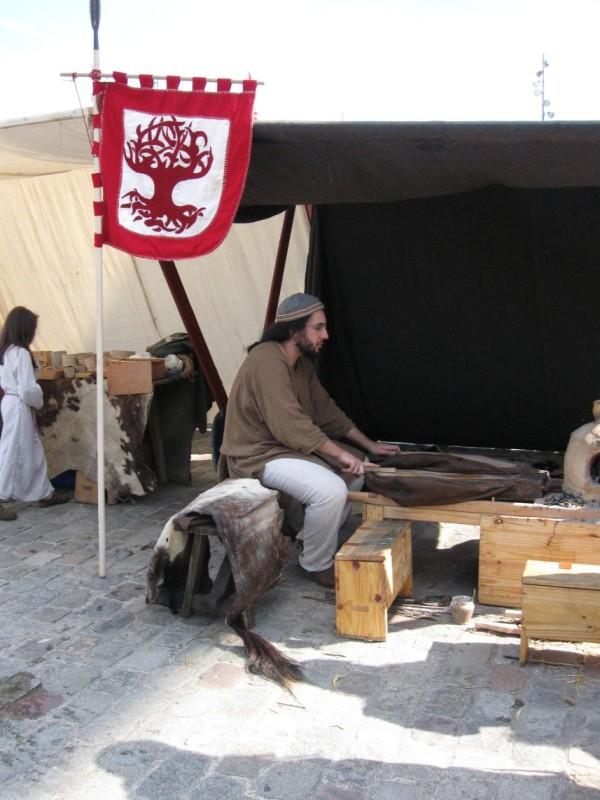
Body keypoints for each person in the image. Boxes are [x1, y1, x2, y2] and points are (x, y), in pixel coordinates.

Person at [220, 293, 399, 587]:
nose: (325, 335)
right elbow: (289, 424)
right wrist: (340, 455)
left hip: (285, 449)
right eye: (318, 327)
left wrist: (368, 447)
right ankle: (316, 563)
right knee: (330, 490)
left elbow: (327, 411)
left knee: (359, 470)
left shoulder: (301, 364)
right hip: (256, 456)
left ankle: (307, 538)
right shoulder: (266, 359)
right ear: (294, 330)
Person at [0, 306, 70, 521]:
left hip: (12, 404)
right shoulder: (20, 353)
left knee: (33, 451)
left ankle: (44, 492)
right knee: (14, 452)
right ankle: (1, 497)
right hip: (19, 405)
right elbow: (27, 389)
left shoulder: (7, 351)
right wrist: (39, 400)